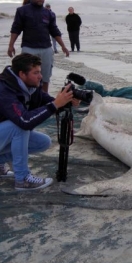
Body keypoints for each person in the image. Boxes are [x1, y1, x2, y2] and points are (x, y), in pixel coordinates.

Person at [0, 53, 78, 190]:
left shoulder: (30, 86)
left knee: (43, 142)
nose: (40, 76)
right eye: (35, 73)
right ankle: (23, 179)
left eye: (40, 72)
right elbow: (25, 121)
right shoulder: (4, 89)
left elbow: (48, 101)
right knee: (19, 127)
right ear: (22, 74)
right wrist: (54, 105)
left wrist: (66, 101)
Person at [8, 0, 70, 93]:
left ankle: (43, 98)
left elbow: (54, 30)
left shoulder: (48, 13)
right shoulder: (22, 11)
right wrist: (11, 45)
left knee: (45, 77)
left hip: (46, 49)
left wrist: (63, 46)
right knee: (27, 76)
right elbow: (16, 28)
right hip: (29, 48)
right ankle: (27, 98)